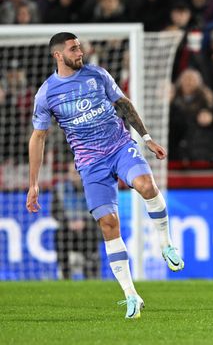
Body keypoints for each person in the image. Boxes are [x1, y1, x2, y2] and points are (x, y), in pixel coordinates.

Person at [26, 32, 184, 319]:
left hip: (121, 146)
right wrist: (34, 183)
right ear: (58, 55)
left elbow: (122, 103)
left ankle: (166, 244)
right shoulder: (47, 93)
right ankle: (131, 295)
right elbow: (38, 138)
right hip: (90, 164)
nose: (80, 51)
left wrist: (146, 138)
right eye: (73, 48)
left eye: (80, 47)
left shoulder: (97, 74)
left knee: (146, 186)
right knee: (109, 225)